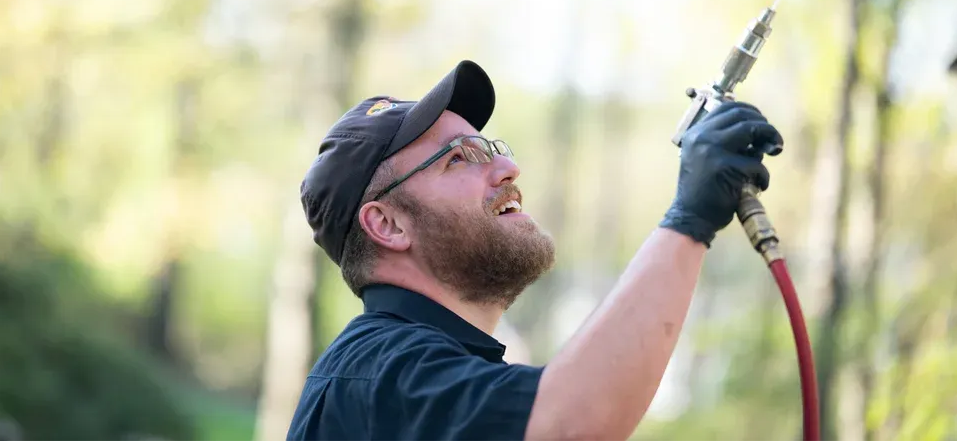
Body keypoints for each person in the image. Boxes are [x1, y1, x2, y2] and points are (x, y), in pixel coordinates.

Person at [290, 60, 783, 441]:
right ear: (387, 224)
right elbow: (571, 421)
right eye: (458, 158)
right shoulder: (378, 370)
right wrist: (689, 218)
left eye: (491, 148)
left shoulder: (436, 368)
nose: (508, 168)